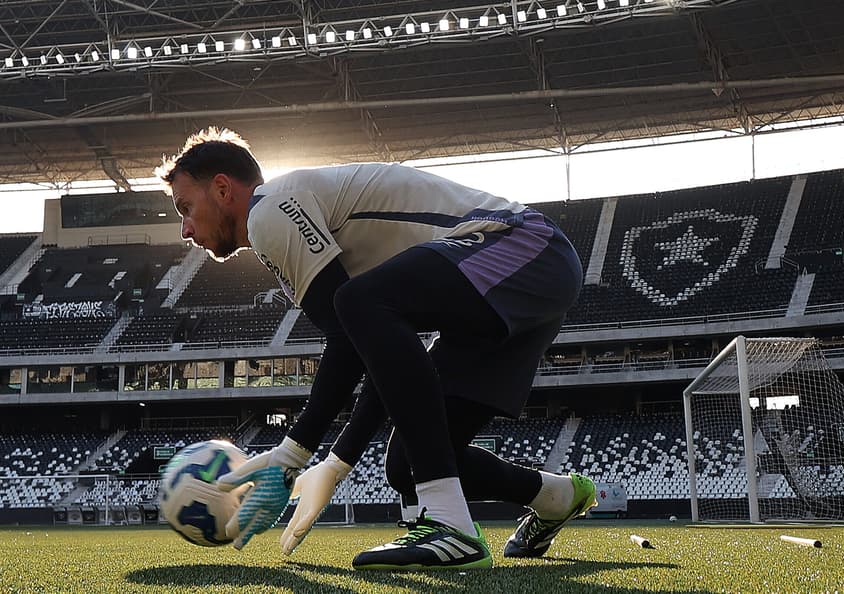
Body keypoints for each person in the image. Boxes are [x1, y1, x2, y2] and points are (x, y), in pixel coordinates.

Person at [156, 127, 597, 570]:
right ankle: (557, 497)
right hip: (523, 283)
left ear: (221, 188)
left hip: (523, 247)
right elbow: (370, 353)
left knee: (356, 302)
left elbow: (352, 331)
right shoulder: (290, 226)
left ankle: (451, 526)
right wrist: (335, 461)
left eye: (185, 208)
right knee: (405, 465)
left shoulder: (269, 210)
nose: (186, 229)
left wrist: (294, 454)